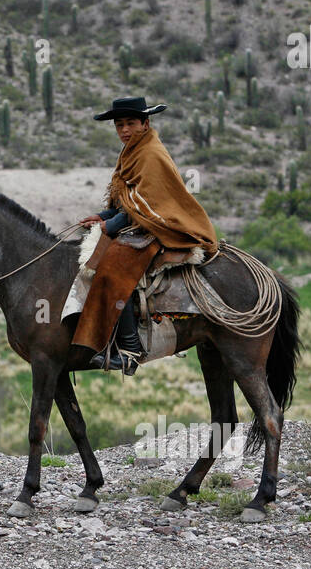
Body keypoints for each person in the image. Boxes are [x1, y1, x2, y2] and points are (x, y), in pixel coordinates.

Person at [75, 96, 218, 373]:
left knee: (115, 267)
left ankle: (130, 349)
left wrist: (112, 226)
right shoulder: (132, 150)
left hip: (163, 223)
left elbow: (148, 201)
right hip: (143, 219)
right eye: (119, 125)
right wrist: (102, 217)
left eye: (130, 123)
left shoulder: (151, 153)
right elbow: (128, 199)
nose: (124, 130)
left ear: (145, 123)